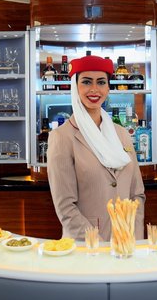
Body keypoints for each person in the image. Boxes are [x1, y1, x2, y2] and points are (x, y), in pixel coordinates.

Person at [47, 55, 145, 241]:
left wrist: (135, 238)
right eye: (86, 82)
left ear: (108, 88)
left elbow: (137, 194)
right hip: (87, 245)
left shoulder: (122, 134)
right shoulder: (62, 137)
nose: (94, 89)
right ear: (75, 87)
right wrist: (98, 245)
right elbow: (66, 207)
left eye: (101, 82)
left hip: (126, 242)